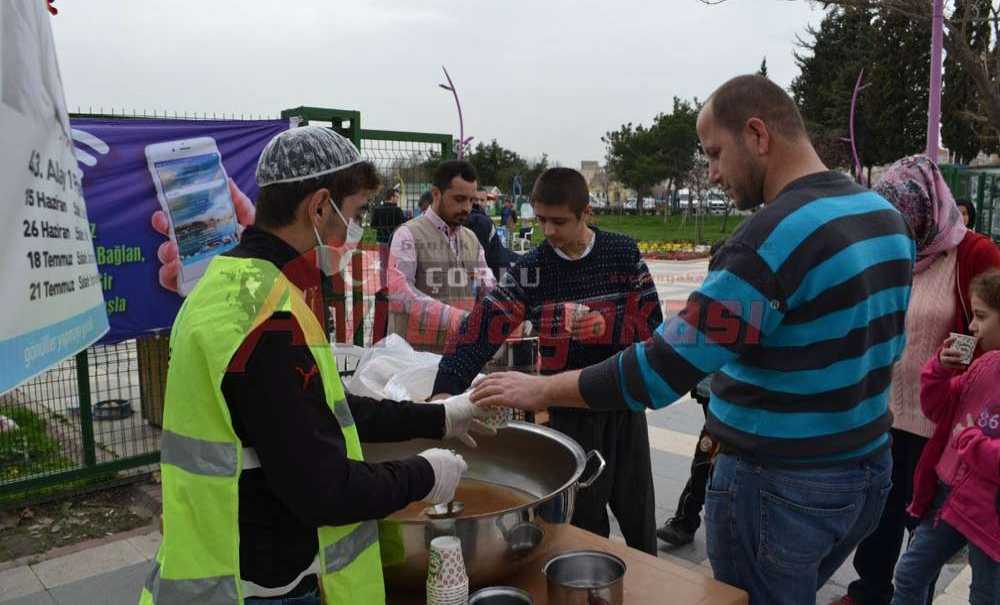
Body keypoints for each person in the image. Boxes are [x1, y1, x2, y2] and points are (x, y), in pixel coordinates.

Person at [472, 74, 913, 605]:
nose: (712, 173)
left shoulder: (773, 239)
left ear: (757, 135)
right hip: (866, 473)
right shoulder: (883, 217)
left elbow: (660, 369)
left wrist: (540, 390)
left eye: (715, 154)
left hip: (783, 487)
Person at [138, 126, 491, 605]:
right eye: (356, 212)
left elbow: (326, 409)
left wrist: (440, 417)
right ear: (320, 206)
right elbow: (324, 488)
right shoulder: (265, 321)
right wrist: (426, 475)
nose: (356, 228)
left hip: (230, 558)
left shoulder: (235, 286)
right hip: (254, 586)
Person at [432, 167, 662, 555]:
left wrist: (609, 325)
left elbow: (654, 325)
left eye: (559, 221)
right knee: (585, 525)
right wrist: (445, 386)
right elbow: (482, 327)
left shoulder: (622, 254)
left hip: (624, 405)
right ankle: (590, 585)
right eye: (541, 220)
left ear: (586, 212)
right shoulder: (533, 269)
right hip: (568, 408)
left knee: (639, 514)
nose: (549, 231)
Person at [832, 156, 1000, 605]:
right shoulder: (896, 253)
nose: (896, 232)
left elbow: (993, 326)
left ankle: (913, 596)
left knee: (923, 520)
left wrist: (965, 362)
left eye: (903, 222)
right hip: (887, 410)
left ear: (926, 211)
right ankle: (869, 590)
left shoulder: (972, 254)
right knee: (880, 510)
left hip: (942, 418)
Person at [890, 269, 1000, 605]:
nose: (971, 327)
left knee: (985, 595)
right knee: (909, 574)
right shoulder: (985, 366)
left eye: (981, 316)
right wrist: (938, 369)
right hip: (952, 500)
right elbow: (939, 410)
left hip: (992, 516)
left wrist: (972, 442)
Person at [656, 237, 728, 547]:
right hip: (712, 396)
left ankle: (687, 522)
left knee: (708, 458)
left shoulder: (749, 305)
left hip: (736, 403)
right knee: (707, 456)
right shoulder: (704, 301)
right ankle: (686, 522)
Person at [387, 161, 496, 353]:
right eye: (459, 199)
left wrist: (507, 309)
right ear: (436, 194)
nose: (467, 208)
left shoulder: (471, 239)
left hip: (459, 355)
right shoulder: (408, 235)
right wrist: (454, 318)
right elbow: (401, 294)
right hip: (414, 359)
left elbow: (487, 284)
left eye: (471, 201)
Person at [465, 189, 520, 280]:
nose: (478, 203)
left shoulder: (483, 218)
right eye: (475, 200)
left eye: (482, 200)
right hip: (497, 275)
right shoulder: (478, 221)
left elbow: (497, 248)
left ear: (486, 202)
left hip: (501, 267)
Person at [371, 186, 406, 289]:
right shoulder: (398, 210)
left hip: (381, 241)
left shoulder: (377, 210)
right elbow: (402, 226)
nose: (397, 199)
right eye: (396, 197)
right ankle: (394, 285)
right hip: (394, 242)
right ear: (392, 197)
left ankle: (383, 286)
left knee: (383, 266)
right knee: (394, 266)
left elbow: (373, 225)